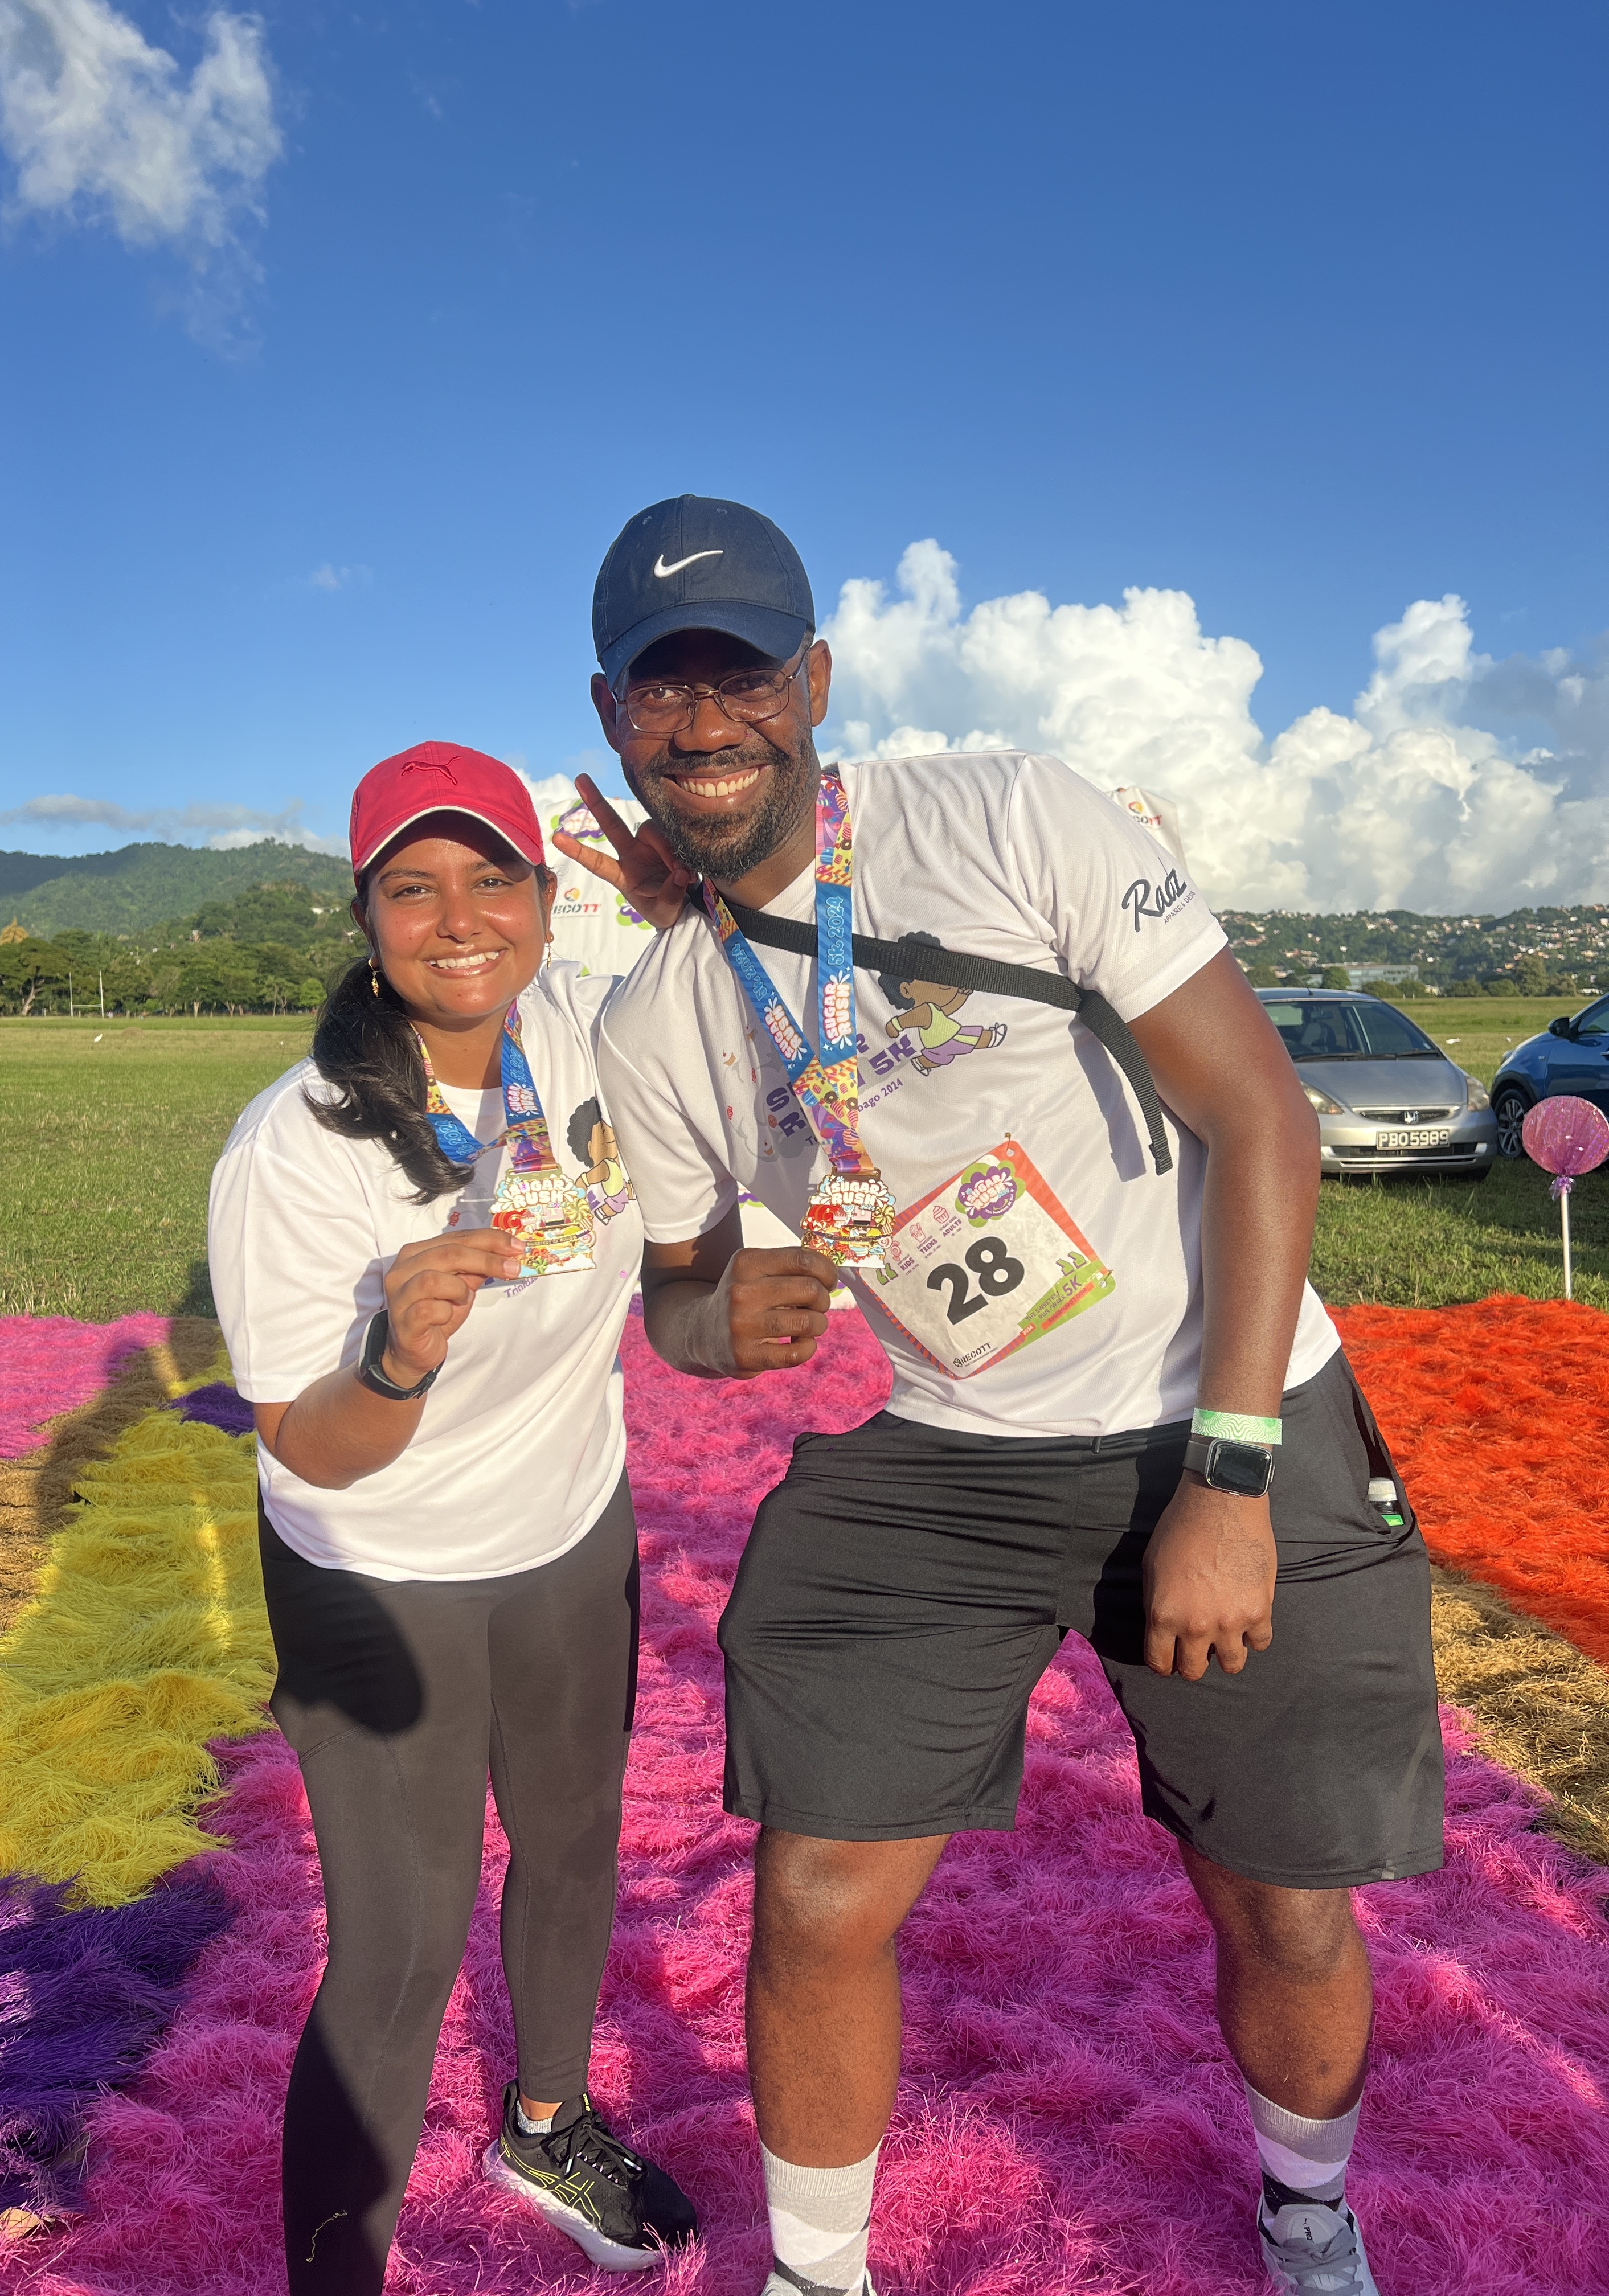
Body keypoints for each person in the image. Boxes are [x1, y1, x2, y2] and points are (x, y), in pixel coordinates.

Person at [586, 498, 1443, 2296]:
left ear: (816, 680)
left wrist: (1228, 1478)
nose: (706, 720)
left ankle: (1307, 2212)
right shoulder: (656, 1016)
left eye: (743, 673)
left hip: (1218, 1406)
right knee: (817, 1892)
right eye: (662, 687)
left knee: (1282, 1902)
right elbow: (674, 1294)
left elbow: (1262, 1116)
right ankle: (816, 2274)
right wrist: (713, 1320)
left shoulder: (1008, 819)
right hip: (952, 1451)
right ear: (611, 716)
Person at [207, 741, 699, 2295]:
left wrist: (696, 911)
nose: (460, 918)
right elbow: (312, 1446)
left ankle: (546, 2131)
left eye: (492, 878)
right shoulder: (299, 1145)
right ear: (366, 919)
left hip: (567, 1525)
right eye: (413, 889)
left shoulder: (591, 1024)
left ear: (545, 901)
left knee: (571, 1843)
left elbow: (759, 1006)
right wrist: (395, 1359)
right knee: (404, 1944)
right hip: (380, 1565)